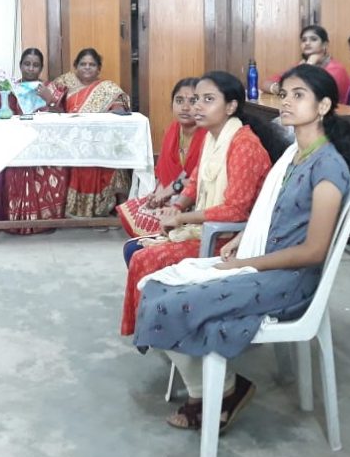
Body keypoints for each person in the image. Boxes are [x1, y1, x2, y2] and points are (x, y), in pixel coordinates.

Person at [133, 64, 350, 432]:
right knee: (154, 288)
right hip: (265, 260)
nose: (286, 102)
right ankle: (222, 388)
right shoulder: (295, 155)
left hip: (290, 279)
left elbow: (314, 251)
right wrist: (244, 238)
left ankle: (220, 392)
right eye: (284, 94)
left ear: (322, 106)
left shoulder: (327, 167)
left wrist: (249, 262)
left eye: (298, 95)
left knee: (170, 303)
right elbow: (272, 213)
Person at [119, 71, 287, 337]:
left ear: (230, 106)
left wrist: (182, 218)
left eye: (208, 99)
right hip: (210, 228)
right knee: (134, 246)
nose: (197, 106)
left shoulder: (244, 145)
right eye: (197, 99)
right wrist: (176, 207)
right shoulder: (213, 137)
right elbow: (195, 180)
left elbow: (235, 210)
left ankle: (163, 330)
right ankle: (165, 323)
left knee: (142, 256)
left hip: (230, 239)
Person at [115, 77, 205, 239]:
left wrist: (170, 193)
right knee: (133, 212)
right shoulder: (173, 131)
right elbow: (164, 172)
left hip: (196, 200)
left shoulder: (207, 134)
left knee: (150, 224)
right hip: (172, 194)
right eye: (179, 101)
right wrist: (157, 195)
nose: (185, 107)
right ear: (172, 105)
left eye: (192, 101)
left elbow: (200, 179)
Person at [49, 48, 132, 217]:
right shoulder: (65, 83)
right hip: (73, 141)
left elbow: (120, 108)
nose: (87, 67)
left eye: (92, 64)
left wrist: (113, 111)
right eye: (83, 64)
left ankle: (118, 210)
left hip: (100, 140)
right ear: (76, 66)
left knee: (115, 156)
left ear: (98, 69)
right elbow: (51, 105)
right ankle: (82, 211)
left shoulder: (107, 88)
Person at [3, 48, 68, 233]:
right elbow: (3, 114)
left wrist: (50, 100)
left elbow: (63, 117)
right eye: (27, 64)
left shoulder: (49, 88)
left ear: (41, 68)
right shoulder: (11, 89)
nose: (31, 69)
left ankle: (46, 222)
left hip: (45, 146)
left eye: (36, 65)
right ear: (20, 65)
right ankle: (18, 223)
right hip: (18, 145)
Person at [266, 24, 350, 103]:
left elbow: (311, 92)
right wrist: (278, 89)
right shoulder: (301, 65)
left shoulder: (336, 69)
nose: (307, 43)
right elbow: (266, 83)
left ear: (325, 45)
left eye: (313, 39)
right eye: (304, 40)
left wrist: (309, 65)